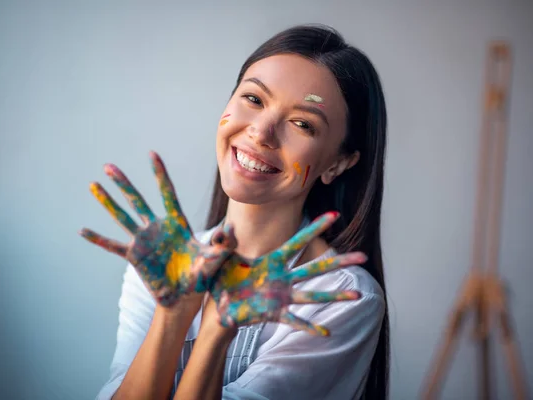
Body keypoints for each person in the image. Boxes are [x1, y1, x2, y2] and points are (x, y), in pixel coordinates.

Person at [85, 23, 389, 399]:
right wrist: (174, 312)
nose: (261, 132)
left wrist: (215, 332)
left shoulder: (340, 297)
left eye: (302, 124)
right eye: (254, 99)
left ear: (338, 163)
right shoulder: (167, 262)